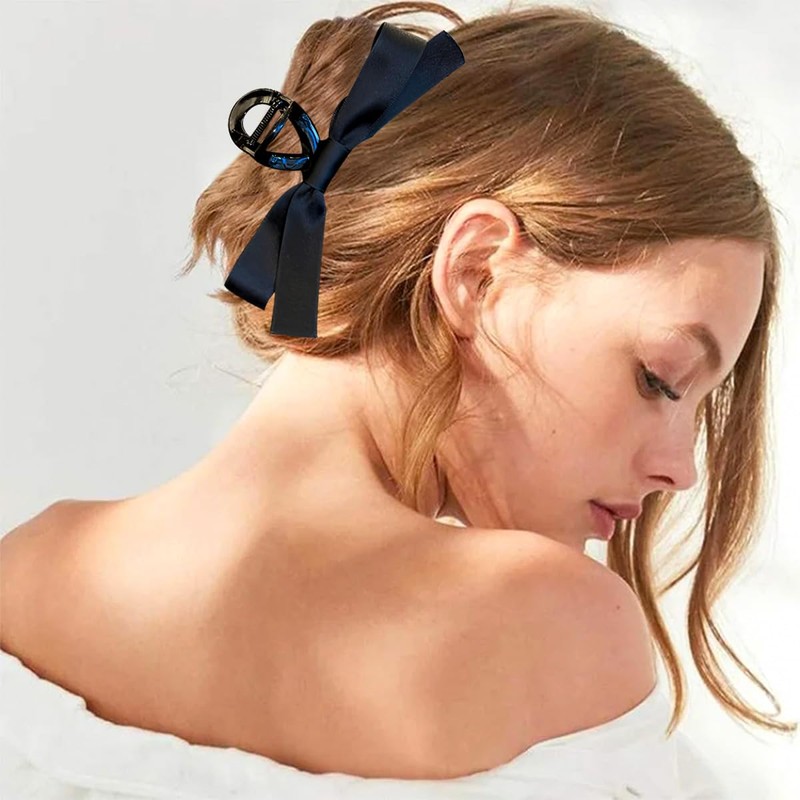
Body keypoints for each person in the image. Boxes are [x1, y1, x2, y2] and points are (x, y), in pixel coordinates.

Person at [0, 2, 795, 797]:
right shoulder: (550, 623)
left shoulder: (30, 570)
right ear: (477, 273)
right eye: (660, 378)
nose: (681, 469)